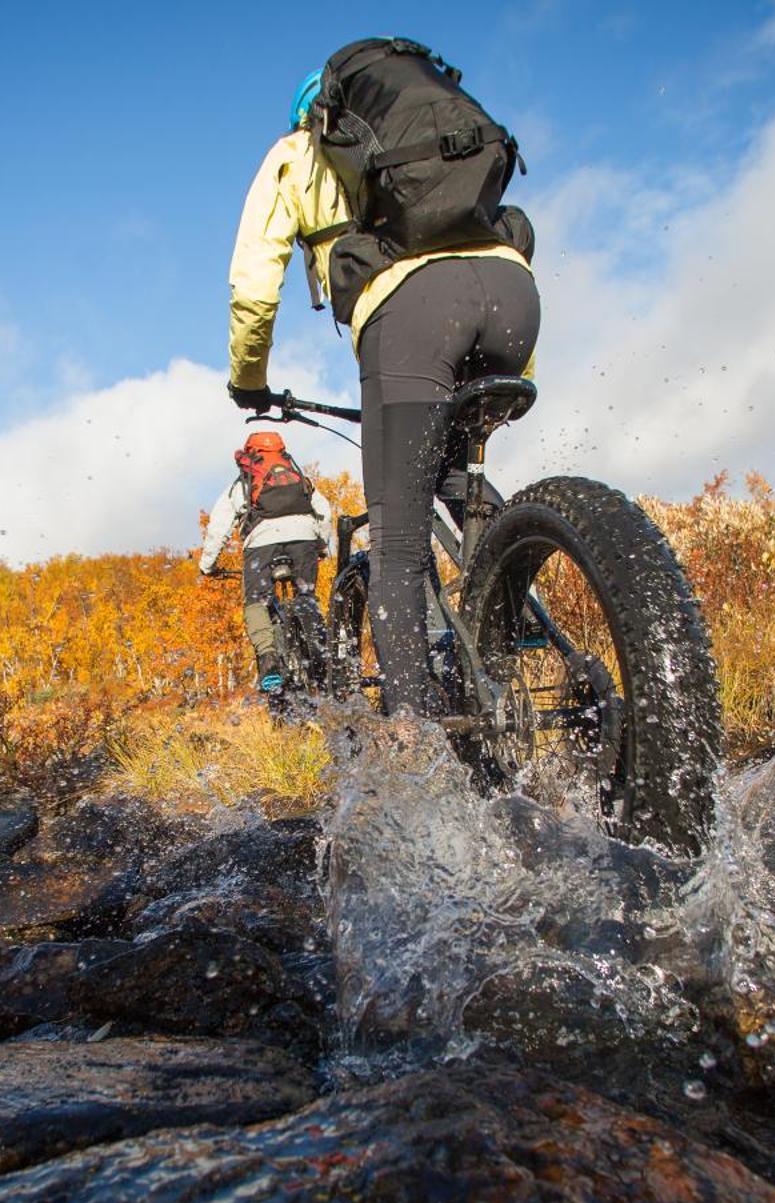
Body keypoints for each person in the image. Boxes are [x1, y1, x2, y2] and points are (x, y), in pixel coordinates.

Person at [226, 41, 540, 717]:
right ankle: (519, 611)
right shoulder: (429, 147)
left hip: (415, 318)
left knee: (395, 548)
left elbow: (254, 281)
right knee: (457, 481)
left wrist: (249, 378)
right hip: (516, 297)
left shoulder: (296, 153)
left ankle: (415, 755)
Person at [197, 430, 335, 693]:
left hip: (261, 543)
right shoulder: (299, 480)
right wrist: (321, 546)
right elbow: (324, 512)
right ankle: (319, 651)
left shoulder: (243, 484)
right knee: (306, 595)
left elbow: (218, 527)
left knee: (257, 602)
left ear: (249, 455)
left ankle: (268, 657)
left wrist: (208, 565)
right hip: (304, 539)